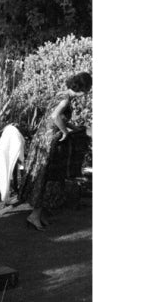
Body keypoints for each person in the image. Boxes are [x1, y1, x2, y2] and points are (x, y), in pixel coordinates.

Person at [19, 72, 93, 231]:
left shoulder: (62, 93)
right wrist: (65, 132)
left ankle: (39, 214)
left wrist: (72, 127)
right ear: (83, 88)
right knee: (44, 177)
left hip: (42, 138)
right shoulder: (66, 100)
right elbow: (54, 116)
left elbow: (59, 118)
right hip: (49, 141)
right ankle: (34, 216)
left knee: (44, 177)